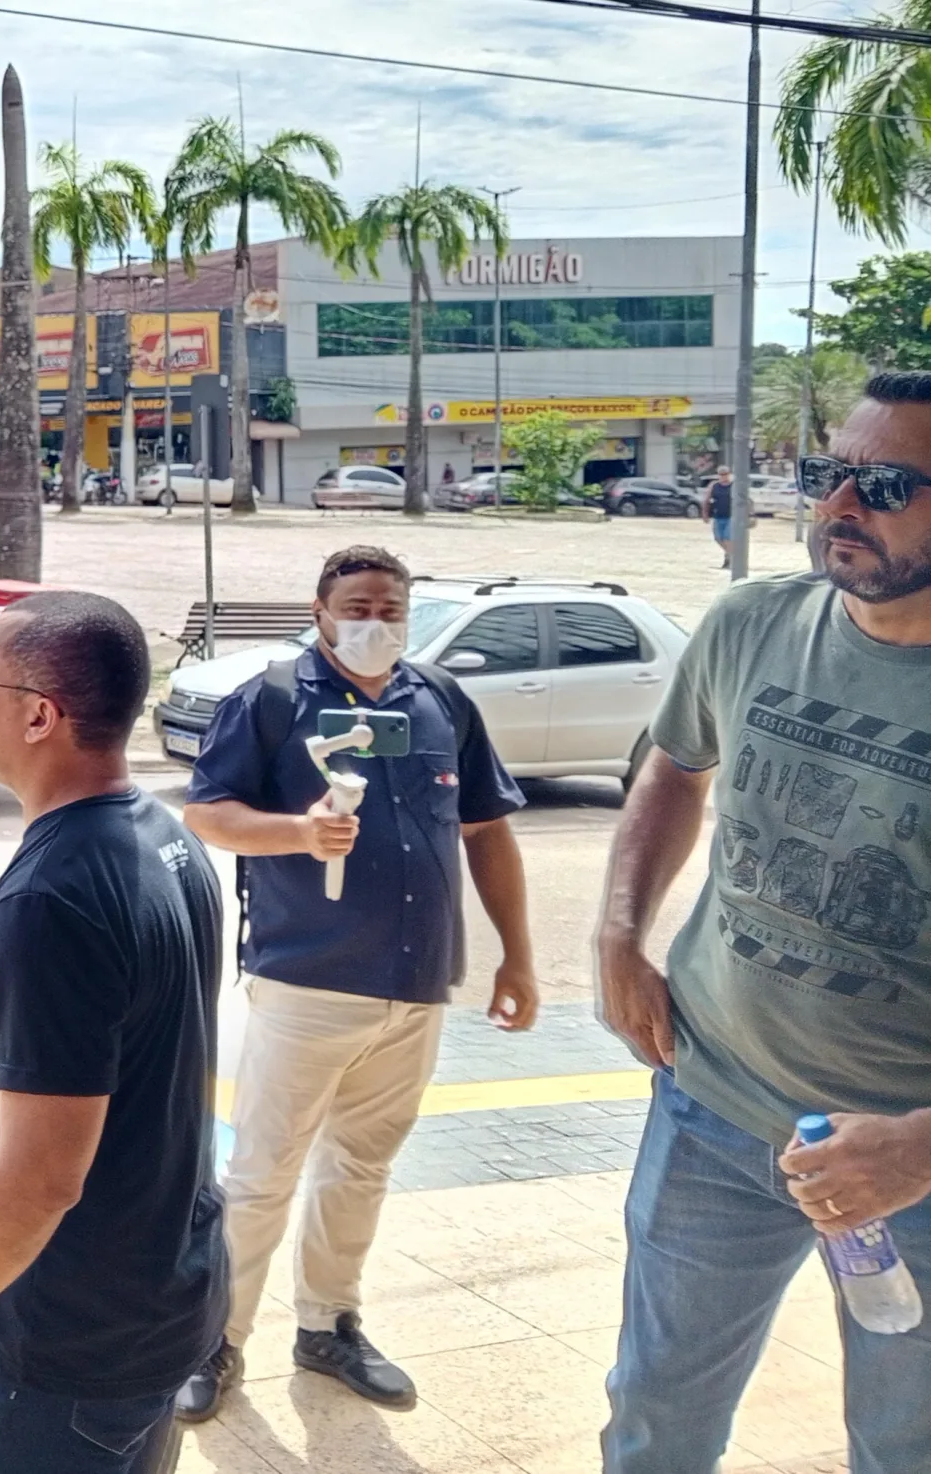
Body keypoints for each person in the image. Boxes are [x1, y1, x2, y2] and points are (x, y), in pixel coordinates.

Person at [595, 371, 931, 1474]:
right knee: (655, 1418)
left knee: (902, 1446)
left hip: (912, 1168)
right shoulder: (750, 623)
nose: (839, 505)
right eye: (828, 473)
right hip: (714, 1112)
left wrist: (920, 1145)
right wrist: (617, 935)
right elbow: (671, 767)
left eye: (881, 484)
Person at [174, 546, 538, 1420]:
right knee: (264, 1174)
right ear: (322, 608)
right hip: (307, 980)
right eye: (358, 606)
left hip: (415, 983)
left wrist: (516, 954)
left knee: (362, 1166)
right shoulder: (269, 699)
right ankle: (213, 1343)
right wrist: (299, 833)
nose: (375, 622)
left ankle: (328, 1324)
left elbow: (486, 830)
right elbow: (207, 812)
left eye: (390, 608)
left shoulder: (442, 699)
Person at [0, 593, 227, 1474]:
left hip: (70, 1351)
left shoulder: (53, 902)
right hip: (160, 1300)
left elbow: (38, 1181)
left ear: (39, 714)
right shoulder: (166, 837)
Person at [709, 467, 736, 567]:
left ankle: (729, 559)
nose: (723, 476)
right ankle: (732, 554)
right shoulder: (714, 486)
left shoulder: (734, 486)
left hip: (731, 516)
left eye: (725, 474)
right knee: (718, 538)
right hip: (718, 515)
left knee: (727, 538)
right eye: (721, 474)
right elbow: (707, 499)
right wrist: (705, 513)